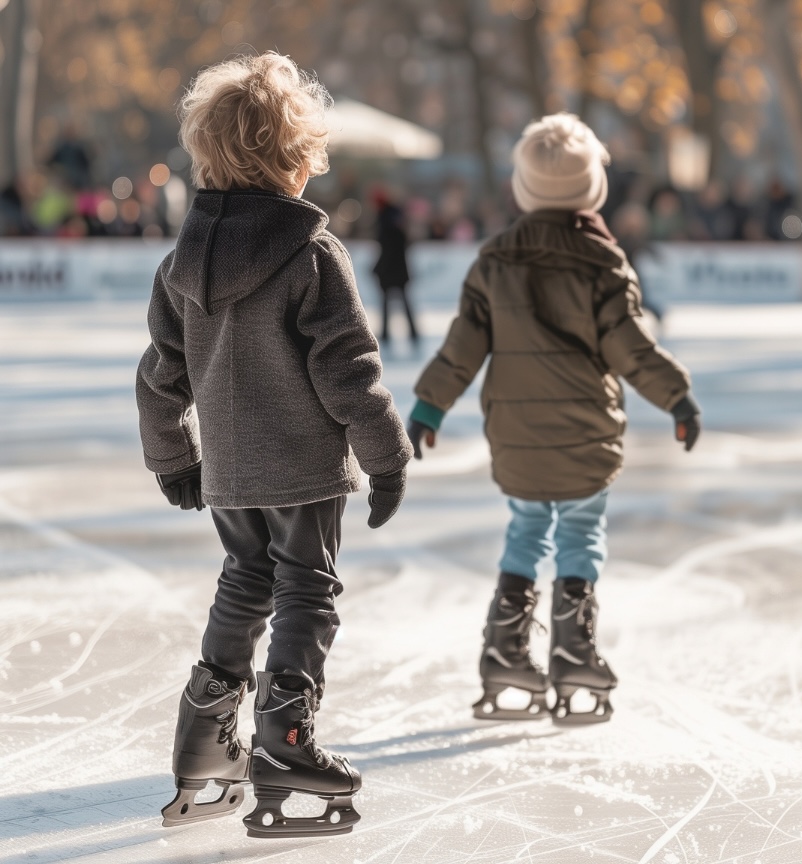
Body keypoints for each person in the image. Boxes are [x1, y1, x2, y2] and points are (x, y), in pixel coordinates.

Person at [135, 52, 412, 838]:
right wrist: (386, 456)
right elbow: (349, 372)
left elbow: (159, 376)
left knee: (244, 582)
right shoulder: (311, 253)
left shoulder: (180, 261)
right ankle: (285, 741)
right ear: (296, 156)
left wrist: (173, 458)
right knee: (305, 590)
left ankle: (201, 743)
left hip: (227, 471)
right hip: (301, 464)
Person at [406, 113, 701, 725]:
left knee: (525, 529)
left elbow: (462, 347)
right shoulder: (603, 262)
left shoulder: (494, 260)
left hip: (515, 438)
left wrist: (429, 406)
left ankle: (505, 651)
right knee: (579, 533)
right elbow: (631, 348)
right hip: (585, 434)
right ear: (593, 189)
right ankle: (572, 650)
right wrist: (676, 397)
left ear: (521, 188)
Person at [372, 189, 419, 344]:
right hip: (398, 268)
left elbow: (389, 246)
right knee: (399, 302)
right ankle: (410, 334)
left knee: (391, 303)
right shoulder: (394, 215)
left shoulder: (387, 216)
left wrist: (379, 267)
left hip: (391, 269)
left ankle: (391, 334)